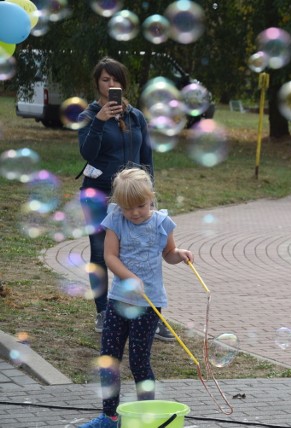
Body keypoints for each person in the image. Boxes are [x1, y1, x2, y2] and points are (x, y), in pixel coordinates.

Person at [80, 168, 194, 428]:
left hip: (149, 304)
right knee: (109, 357)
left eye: (141, 205)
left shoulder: (162, 223)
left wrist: (181, 254)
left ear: (151, 198)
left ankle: (146, 416)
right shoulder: (116, 220)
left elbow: (169, 253)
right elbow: (110, 257)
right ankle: (109, 417)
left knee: (140, 361)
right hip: (119, 300)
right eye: (128, 207)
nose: (134, 213)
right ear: (119, 205)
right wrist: (129, 277)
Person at [77, 57, 171, 341]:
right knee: (100, 253)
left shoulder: (136, 117)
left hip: (132, 195)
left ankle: (150, 314)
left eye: (116, 80)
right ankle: (103, 311)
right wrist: (100, 120)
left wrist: (148, 194)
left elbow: (147, 158)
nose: (111, 85)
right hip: (99, 193)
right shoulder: (89, 116)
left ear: (123, 84)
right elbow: (87, 153)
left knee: (143, 251)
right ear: (97, 84)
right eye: (105, 80)